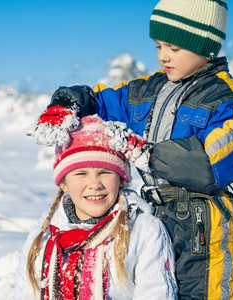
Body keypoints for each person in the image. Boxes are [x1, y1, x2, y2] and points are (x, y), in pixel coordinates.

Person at [27, 0, 233, 299]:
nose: (164, 55)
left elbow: (214, 160)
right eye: (158, 46)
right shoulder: (147, 89)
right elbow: (103, 102)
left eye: (175, 48)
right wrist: (70, 101)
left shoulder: (226, 96)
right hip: (154, 211)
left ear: (206, 47)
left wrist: (148, 154)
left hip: (203, 222)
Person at [16, 115, 178, 299]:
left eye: (105, 172)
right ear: (63, 183)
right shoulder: (42, 237)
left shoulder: (143, 230)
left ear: (121, 180)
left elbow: (155, 293)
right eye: (81, 173)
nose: (94, 184)